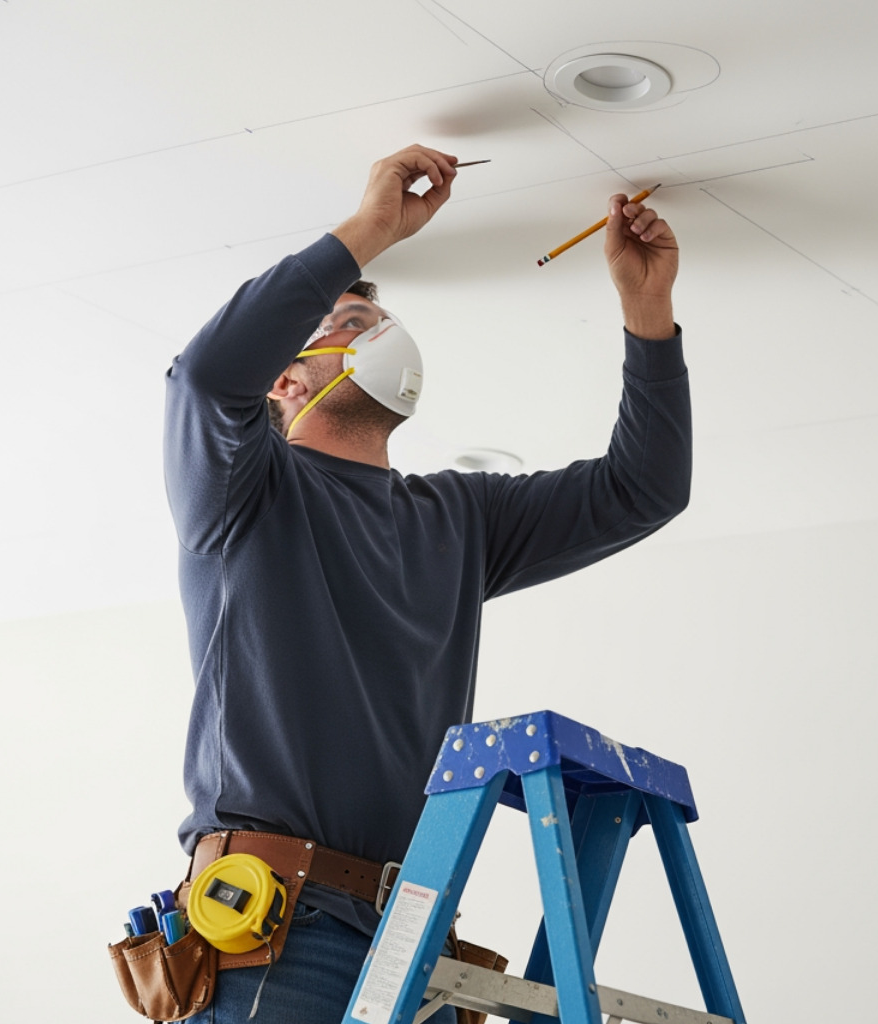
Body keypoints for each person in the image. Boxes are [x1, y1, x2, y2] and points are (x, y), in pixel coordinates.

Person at [161, 144, 689, 1023]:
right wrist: (368, 233)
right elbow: (208, 377)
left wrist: (648, 308)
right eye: (345, 321)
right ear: (285, 379)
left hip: (414, 937)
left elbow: (645, 489)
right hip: (277, 936)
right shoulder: (245, 492)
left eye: (374, 318)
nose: (373, 327)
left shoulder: (457, 520)